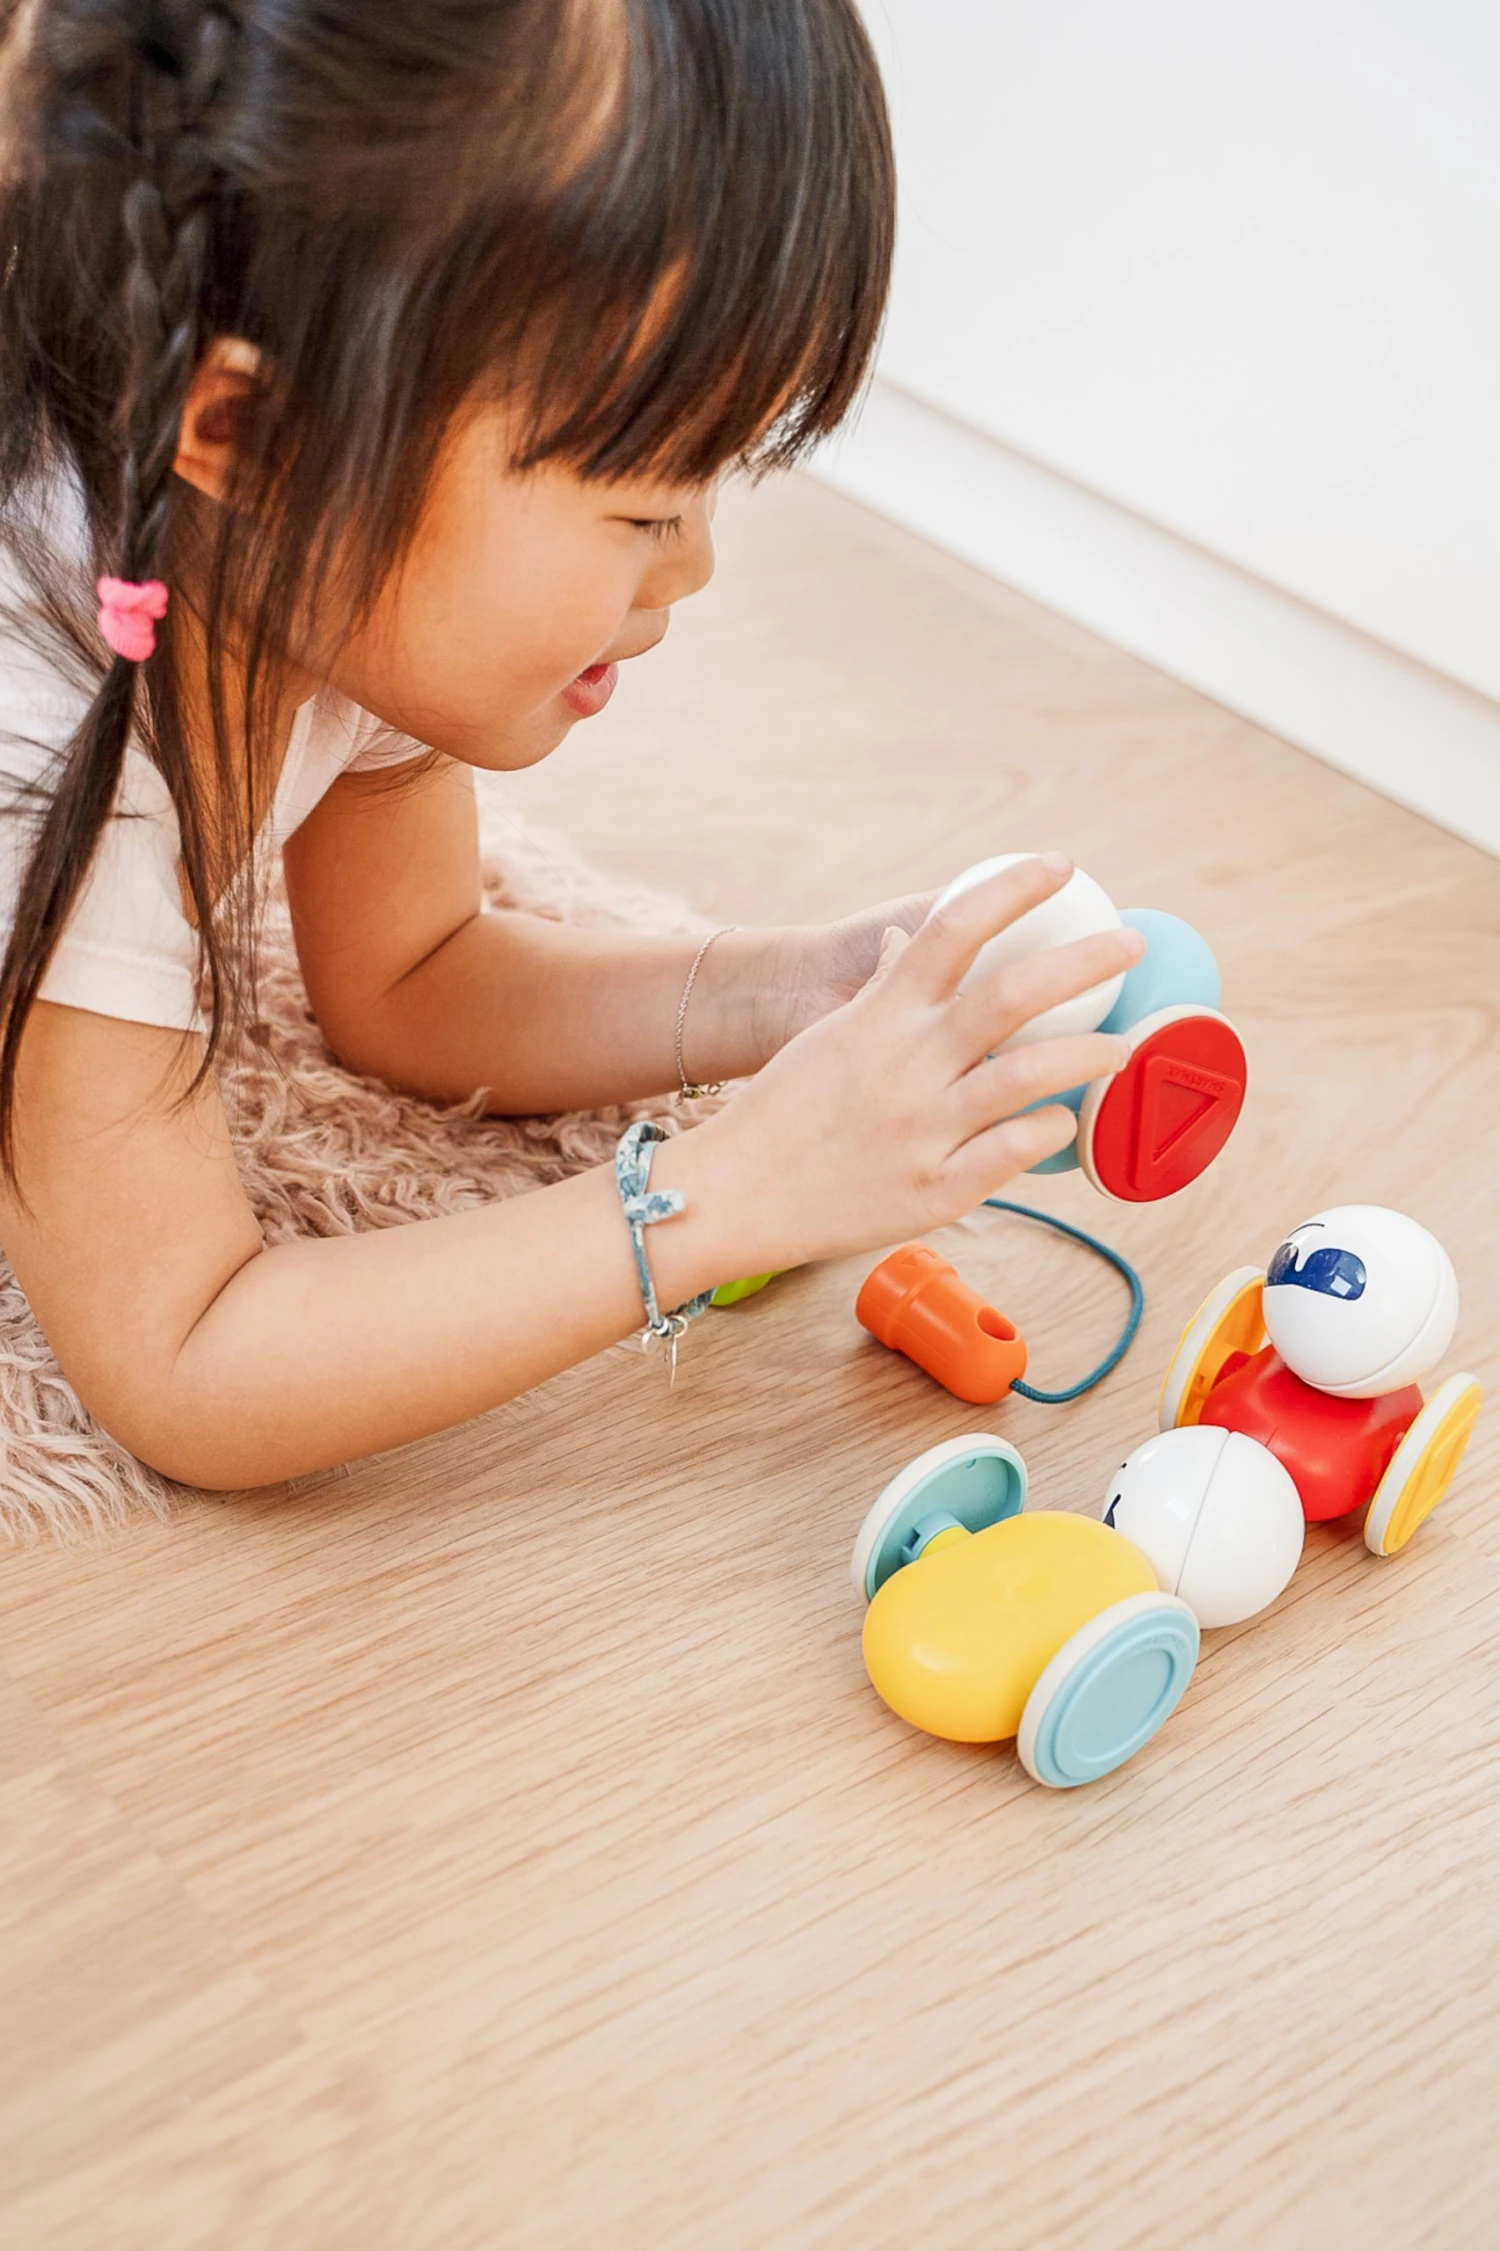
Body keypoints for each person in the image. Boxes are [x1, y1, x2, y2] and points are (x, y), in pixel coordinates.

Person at [0, 0, 1142, 1490]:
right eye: (646, 504)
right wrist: (727, 1194)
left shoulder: (312, 540)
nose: (696, 564)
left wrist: (810, 984)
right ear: (256, 438)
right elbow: (191, 1358)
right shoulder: (53, 763)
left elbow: (413, 977)